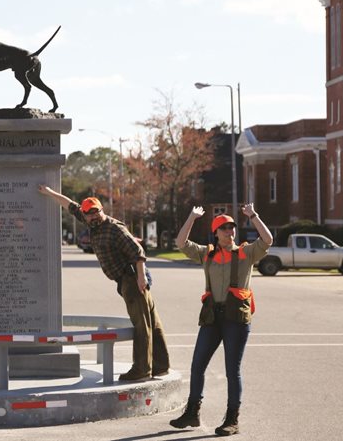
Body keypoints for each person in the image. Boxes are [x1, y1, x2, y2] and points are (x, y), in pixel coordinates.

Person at [38, 185, 170, 381]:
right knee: (152, 321)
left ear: (102, 210)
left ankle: (142, 369)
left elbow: (138, 252)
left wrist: (140, 278)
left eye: (96, 212)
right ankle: (160, 365)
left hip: (132, 278)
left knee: (142, 324)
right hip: (125, 279)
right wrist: (49, 192)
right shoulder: (91, 223)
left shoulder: (113, 228)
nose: (93, 216)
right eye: (89, 213)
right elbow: (70, 205)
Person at [171, 204, 273, 436]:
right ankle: (192, 413)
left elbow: (267, 240)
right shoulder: (207, 254)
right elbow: (181, 243)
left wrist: (253, 216)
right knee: (197, 366)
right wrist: (191, 217)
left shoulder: (246, 253)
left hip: (235, 319)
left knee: (231, 370)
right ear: (216, 233)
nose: (229, 231)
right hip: (212, 317)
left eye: (232, 228)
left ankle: (232, 419)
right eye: (224, 228)